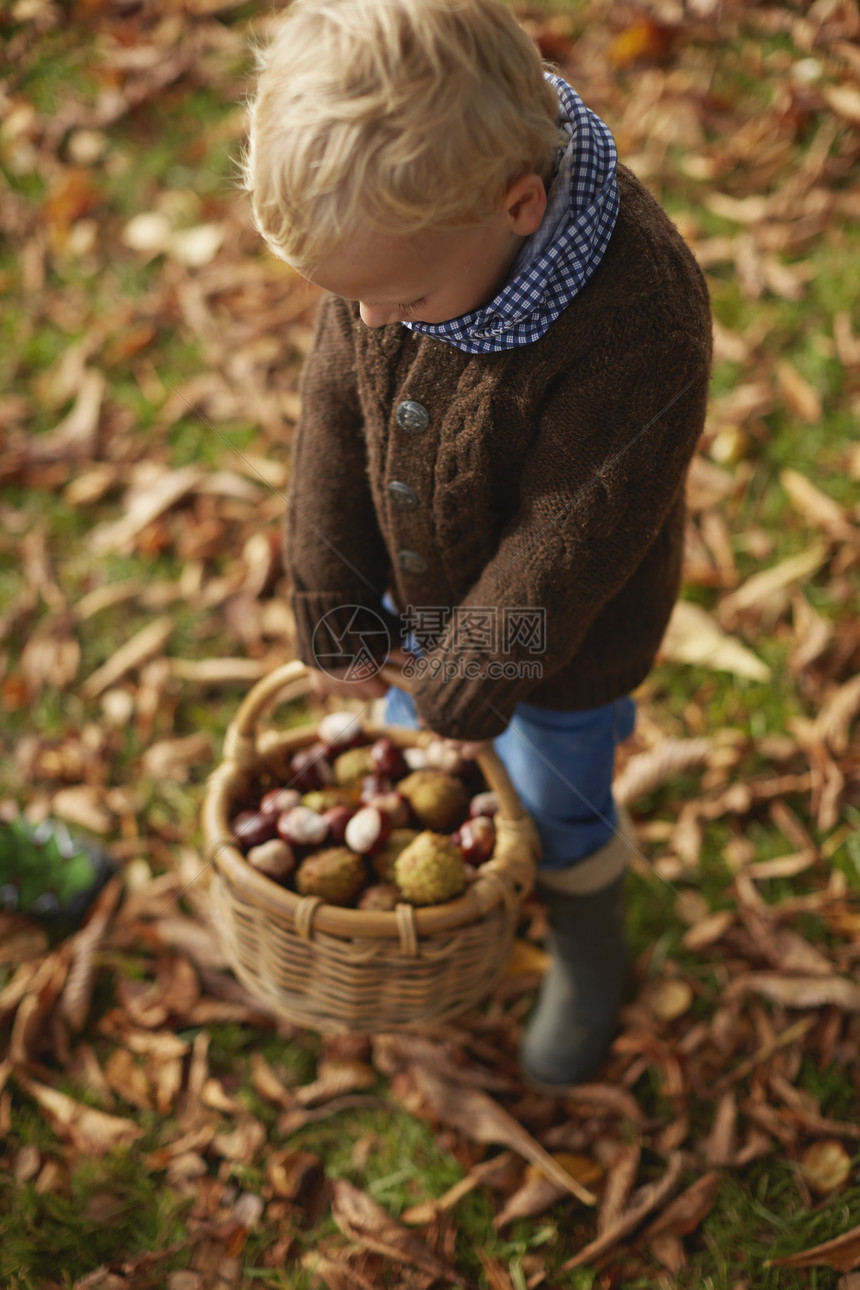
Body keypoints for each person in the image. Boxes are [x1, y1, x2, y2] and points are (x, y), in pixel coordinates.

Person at [243, 0, 712, 1088]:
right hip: (419, 605)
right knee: (424, 758)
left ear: (518, 205)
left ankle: (586, 941)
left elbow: (573, 530)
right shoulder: (391, 248)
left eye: (398, 298)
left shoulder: (639, 318)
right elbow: (336, 412)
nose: (369, 326)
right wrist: (336, 601)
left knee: (554, 804)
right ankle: (460, 911)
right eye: (346, 300)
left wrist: (473, 673)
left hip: (559, 644)